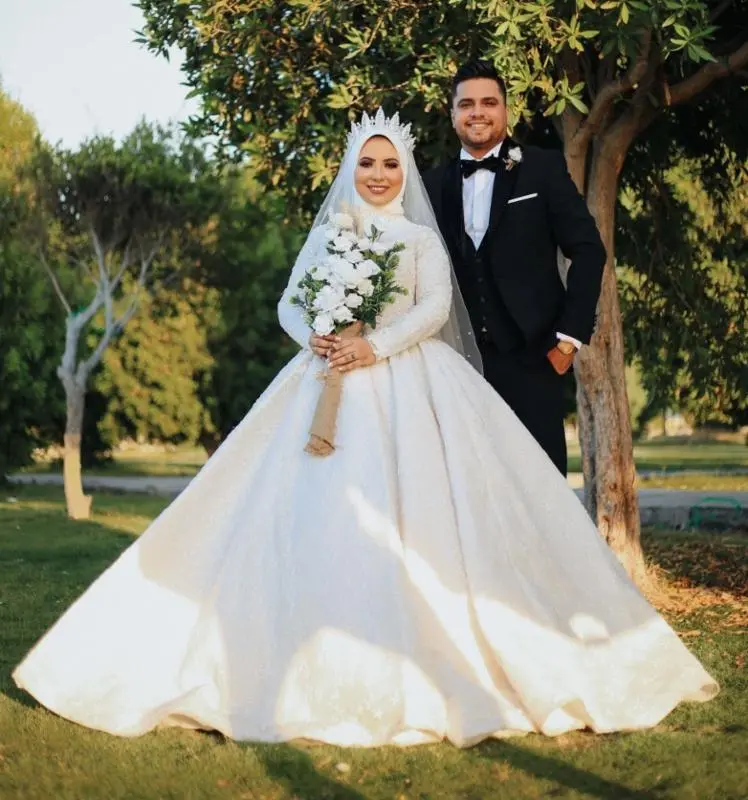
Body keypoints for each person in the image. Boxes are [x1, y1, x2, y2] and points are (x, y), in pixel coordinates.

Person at [13, 110, 717, 748]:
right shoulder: (328, 235)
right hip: (323, 379)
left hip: (407, 380)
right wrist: (316, 338)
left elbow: (434, 308)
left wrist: (374, 346)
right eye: (367, 163)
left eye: (389, 164)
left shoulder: (419, 238)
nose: (378, 174)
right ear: (351, 168)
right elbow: (290, 303)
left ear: (404, 172)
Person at [424, 60, 606, 475]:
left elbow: (588, 250)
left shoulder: (542, 168)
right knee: (470, 482)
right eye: (466, 104)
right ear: (452, 114)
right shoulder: (431, 184)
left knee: (540, 482)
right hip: (457, 364)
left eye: (489, 102)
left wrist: (568, 341)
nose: (478, 112)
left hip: (535, 359)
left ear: (506, 110)